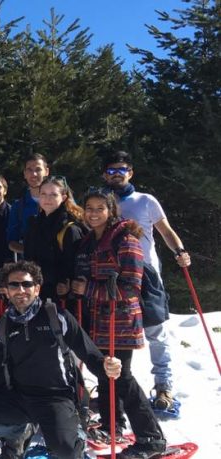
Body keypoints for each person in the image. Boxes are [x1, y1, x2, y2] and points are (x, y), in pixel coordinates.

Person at [0, 261, 124, 459]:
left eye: (26, 284)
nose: (20, 290)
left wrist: (106, 366)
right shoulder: (2, 327)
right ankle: (18, 431)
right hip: (19, 397)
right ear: (7, 291)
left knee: (65, 450)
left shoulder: (57, 317)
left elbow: (89, 353)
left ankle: (75, 432)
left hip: (55, 398)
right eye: (14, 285)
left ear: (37, 289)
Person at [72, 189, 166, 457]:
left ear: (111, 211)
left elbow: (131, 287)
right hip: (98, 318)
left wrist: (88, 289)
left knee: (121, 377)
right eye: (89, 208)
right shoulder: (90, 240)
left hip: (120, 319)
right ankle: (112, 426)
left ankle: (151, 438)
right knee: (105, 373)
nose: (93, 213)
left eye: (100, 208)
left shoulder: (125, 240)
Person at [102, 150, 190, 409]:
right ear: (104, 175)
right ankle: (114, 387)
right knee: (114, 333)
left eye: (121, 170)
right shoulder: (102, 202)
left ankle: (164, 386)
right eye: (111, 171)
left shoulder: (145, 200)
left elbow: (165, 230)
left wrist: (180, 251)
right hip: (114, 274)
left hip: (146, 273)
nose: (116, 175)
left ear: (130, 173)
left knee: (155, 330)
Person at [23, 176, 85, 301]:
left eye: (53, 195)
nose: (47, 199)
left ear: (63, 197)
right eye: (43, 194)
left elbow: (74, 266)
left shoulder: (70, 228)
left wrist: (65, 282)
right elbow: (28, 257)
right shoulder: (33, 224)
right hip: (36, 292)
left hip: (62, 296)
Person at [8, 153, 50, 255]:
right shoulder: (18, 207)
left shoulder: (59, 202)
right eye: (29, 170)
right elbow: (11, 241)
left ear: (46, 172)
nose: (34, 174)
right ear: (24, 174)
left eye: (38, 169)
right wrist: (31, 251)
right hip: (30, 263)